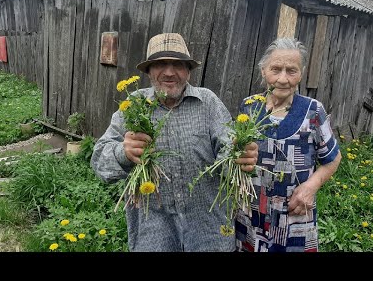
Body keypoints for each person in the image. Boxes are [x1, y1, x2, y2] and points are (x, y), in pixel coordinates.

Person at [91, 32, 258, 252]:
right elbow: (99, 164)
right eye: (160, 64)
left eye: (178, 65)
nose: (169, 72)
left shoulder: (208, 103)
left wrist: (238, 156)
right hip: (154, 235)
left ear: (188, 71)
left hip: (207, 231)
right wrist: (123, 152)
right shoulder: (133, 107)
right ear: (149, 71)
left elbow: (227, 147)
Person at [235, 37, 342, 252]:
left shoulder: (313, 111)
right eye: (275, 69)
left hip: (294, 216)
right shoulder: (249, 107)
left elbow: (333, 158)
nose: (283, 79)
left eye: (291, 70)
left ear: (301, 74)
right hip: (251, 214)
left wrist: (310, 187)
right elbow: (237, 153)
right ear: (263, 71)